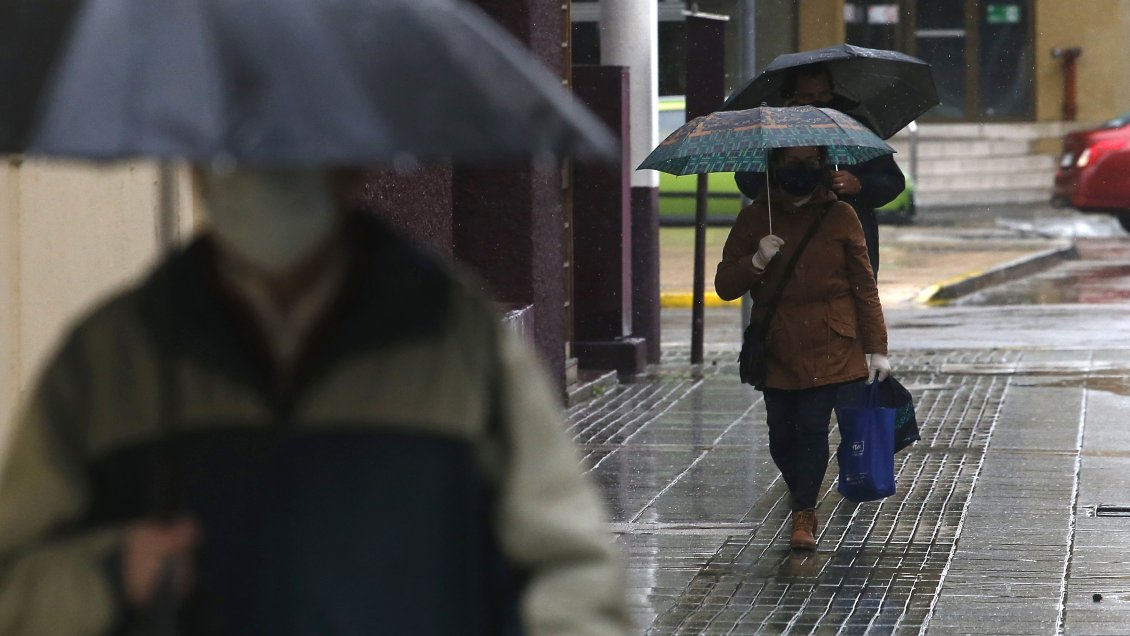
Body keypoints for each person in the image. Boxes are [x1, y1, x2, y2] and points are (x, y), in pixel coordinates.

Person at [0, 166, 631, 635]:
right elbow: (15, 587)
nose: (263, 173)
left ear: (351, 164)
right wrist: (113, 572)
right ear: (194, 170)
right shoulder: (109, 357)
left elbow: (571, 577)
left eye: (292, 149)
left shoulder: (457, 344)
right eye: (236, 148)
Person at [715, 146, 891, 550]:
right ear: (774, 167)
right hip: (777, 344)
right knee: (781, 436)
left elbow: (864, 286)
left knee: (812, 427)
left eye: (811, 163)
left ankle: (804, 514)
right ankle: (802, 495)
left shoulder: (841, 216)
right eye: (792, 163)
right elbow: (725, 285)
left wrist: (877, 348)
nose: (802, 170)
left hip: (832, 344)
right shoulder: (755, 217)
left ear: (824, 166)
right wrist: (756, 261)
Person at [734, 63, 906, 277]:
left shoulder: (854, 127)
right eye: (808, 96)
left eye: (824, 94)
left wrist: (860, 185)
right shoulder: (772, 132)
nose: (818, 102)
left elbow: (892, 181)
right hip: (789, 243)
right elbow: (747, 180)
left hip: (848, 247)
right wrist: (784, 180)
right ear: (792, 96)